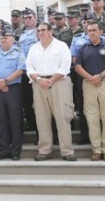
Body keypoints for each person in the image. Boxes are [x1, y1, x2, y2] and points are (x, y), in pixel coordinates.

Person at [26, 22, 76, 162]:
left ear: (50, 31)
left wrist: (51, 80)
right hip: (39, 84)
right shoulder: (33, 49)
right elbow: (29, 68)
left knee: (62, 117)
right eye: (38, 31)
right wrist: (40, 79)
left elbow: (65, 66)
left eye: (43, 30)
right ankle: (44, 150)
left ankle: (67, 151)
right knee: (42, 118)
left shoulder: (61, 46)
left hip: (59, 83)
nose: (40, 33)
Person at [74, 20, 105, 161]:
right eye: (89, 30)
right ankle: (96, 149)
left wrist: (100, 76)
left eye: (94, 30)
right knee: (92, 117)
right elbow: (77, 66)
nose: (91, 33)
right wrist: (91, 78)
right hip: (88, 84)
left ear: (100, 32)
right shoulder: (83, 48)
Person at [0, 28, 26, 161]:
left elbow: (21, 69)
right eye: (2, 37)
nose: (3, 39)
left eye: (6, 37)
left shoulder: (19, 52)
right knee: (0, 120)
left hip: (13, 89)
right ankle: (3, 150)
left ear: (13, 39)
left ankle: (15, 151)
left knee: (15, 120)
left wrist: (6, 81)